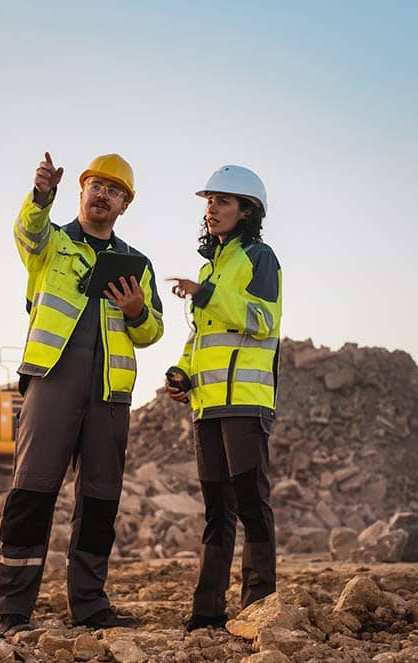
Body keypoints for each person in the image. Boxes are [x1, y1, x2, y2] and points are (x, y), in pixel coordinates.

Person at [0, 152, 164, 637]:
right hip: (53, 379)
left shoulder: (137, 265)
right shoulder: (53, 242)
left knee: (100, 500)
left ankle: (89, 605)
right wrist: (40, 196)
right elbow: (28, 233)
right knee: (32, 491)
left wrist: (134, 311)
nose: (103, 195)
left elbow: (152, 332)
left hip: (109, 393)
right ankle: (10, 606)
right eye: (96, 186)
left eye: (115, 191)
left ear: (124, 205)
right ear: (81, 190)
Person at [165, 165, 282, 631]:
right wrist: (182, 371)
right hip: (207, 406)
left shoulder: (260, 257)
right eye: (209, 201)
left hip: (246, 403)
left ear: (247, 210)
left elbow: (262, 319)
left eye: (222, 201)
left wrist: (207, 293)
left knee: (252, 503)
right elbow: (199, 338)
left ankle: (259, 608)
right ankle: (207, 612)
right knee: (217, 511)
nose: (211, 209)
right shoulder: (209, 266)